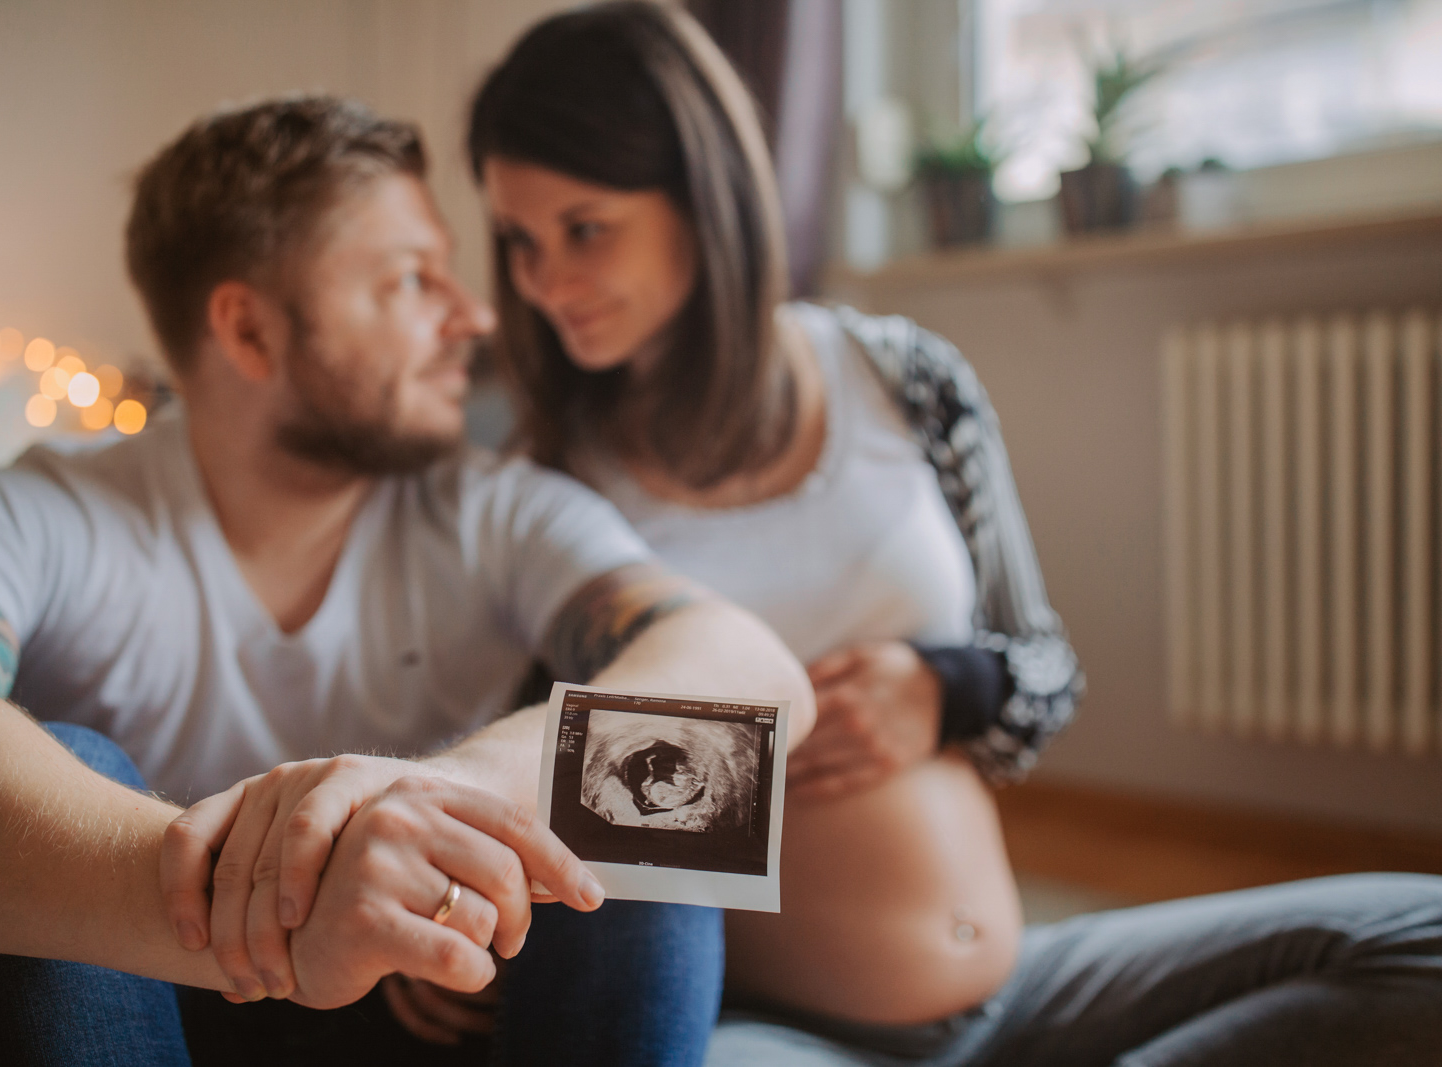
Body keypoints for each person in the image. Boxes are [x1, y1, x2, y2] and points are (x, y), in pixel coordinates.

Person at [449, 3, 1442, 1064]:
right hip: (779, 1030)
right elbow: (550, 790)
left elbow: (1044, 670)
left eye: (585, 228)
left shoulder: (904, 378)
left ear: (705, 200)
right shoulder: (550, 487)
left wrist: (941, 690)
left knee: (1419, 939)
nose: (544, 282)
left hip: (1025, 987)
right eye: (518, 241)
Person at [0, 95, 814, 1066]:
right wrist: (264, 909)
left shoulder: (496, 508)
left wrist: (440, 798)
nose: (473, 314)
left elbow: (754, 677)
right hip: (149, 1000)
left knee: (647, 814)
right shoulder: (26, 513)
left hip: (434, 1012)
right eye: (410, 280)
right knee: (60, 760)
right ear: (250, 331)